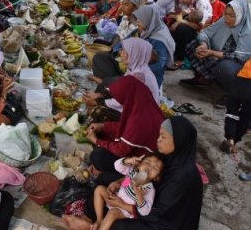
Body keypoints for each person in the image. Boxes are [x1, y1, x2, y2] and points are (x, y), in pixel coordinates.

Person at [63, 117, 203, 230]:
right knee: (104, 182)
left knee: (120, 225)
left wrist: (122, 205)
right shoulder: (165, 155)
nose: (158, 140)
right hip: (139, 197)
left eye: (163, 137)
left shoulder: (182, 179)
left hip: (161, 222)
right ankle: (92, 220)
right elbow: (137, 175)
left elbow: (157, 215)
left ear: (178, 142)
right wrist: (118, 183)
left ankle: (91, 225)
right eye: (159, 135)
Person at [86, 76, 164, 186]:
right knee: (104, 134)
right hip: (140, 155)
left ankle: (119, 177)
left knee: (98, 156)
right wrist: (104, 126)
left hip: (141, 163)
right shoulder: (144, 104)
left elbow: (122, 150)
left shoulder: (139, 120)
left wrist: (96, 141)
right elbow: (126, 127)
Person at [181, 0, 251, 87]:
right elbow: (205, 32)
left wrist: (212, 53)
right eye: (225, 14)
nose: (227, 18)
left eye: (232, 16)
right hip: (216, 53)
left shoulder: (247, 31)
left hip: (234, 62)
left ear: (241, 16)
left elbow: (240, 57)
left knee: (225, 67)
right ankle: (201, 78)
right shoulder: (224, 20)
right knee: (193, 45)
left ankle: (230, 91)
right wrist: (204, 44)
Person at [87, 38, 160, 116]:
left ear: (134, 55)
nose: (120, 52)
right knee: (102, 90)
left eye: (124, 51)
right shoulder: (136, 68)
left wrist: (99, 102)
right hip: (135, 108)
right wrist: (99, 95)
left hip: (143, 114)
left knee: (98, 111)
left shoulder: (138, 76)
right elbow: (119, 88)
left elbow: (123, 102)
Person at [91, 154, 165, 230]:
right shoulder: (133, 171)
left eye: (155, 168)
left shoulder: (149, 189)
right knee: (99, 189)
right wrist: (127, 161)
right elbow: (117, 166)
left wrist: (140, 197)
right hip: (117, 196)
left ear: (157, 178)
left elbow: (145, 212)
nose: (149, 167)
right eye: (148, 162)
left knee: (112, 213)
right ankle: (99, 220)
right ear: (139, 164)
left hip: (125, 210)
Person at [169, 0, 213, 67]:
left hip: (201, 29)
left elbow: (200, 26)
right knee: (172, 26)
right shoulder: (178, 0)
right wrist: (180, 17)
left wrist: (181, 20)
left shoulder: (201, 2)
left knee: (182, 29)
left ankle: (180, 58)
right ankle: (174, 51)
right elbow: (171, 14)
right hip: (189, 22)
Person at [133, 5, 175, 85]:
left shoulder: (159, 40)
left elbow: (159, 66)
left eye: (141, 19)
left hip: (151, 79)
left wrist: (136, 68)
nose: (137, 21)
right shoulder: (149, 29)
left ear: (149, 19)